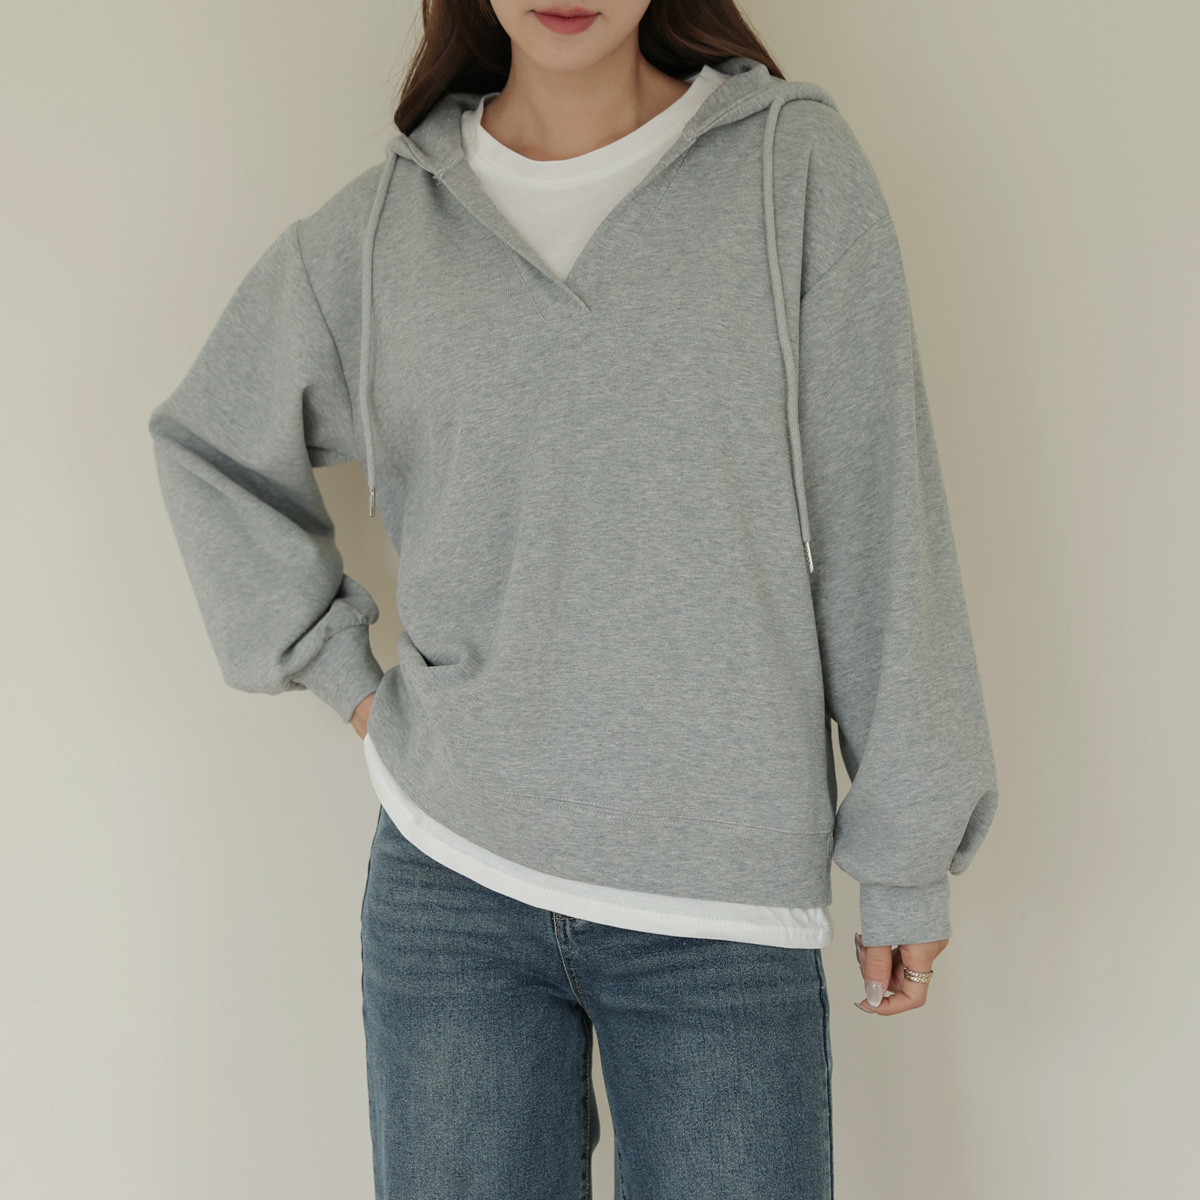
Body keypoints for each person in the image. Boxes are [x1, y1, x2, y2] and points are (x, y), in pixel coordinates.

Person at [147, 1, 1000, 1195]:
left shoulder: (786, 168)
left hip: (720, 904)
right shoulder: (379, 236)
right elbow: (208, 445)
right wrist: (351, 683)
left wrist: (907, 848)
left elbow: (880, 506)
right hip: (452, 891)